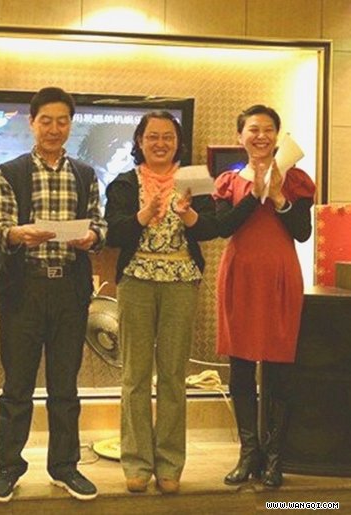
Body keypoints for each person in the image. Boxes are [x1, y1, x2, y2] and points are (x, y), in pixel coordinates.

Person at [0, 86, 107, 503]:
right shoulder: (10, 171)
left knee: (65, 386)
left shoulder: (86, 174)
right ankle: (8, 468)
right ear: (32, 123)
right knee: (17, 386)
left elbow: (99, 224)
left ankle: (65, 467)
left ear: (70, 125)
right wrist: (18, 234)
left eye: (62, 121)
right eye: (46, 121)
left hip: (69, 288)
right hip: (24, 288)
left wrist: (91, 238)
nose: (54, 129)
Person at [104, 111, 218, 495]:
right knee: (135, 376)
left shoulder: (195, 180)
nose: (160, 143)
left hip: (181, 282)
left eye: (168, 137)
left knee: (172, 376)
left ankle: (169, 464)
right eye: (152, 136)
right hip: (136, 280)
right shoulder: (124, 183)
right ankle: (137, 463)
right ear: (139, 141)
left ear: (178, 142)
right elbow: (112, 233)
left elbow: (211, 228)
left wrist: (189, 216)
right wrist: (142, 215)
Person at [214, 105, 315, 488]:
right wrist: (254, 195)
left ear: (277, 136)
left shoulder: (296, 180)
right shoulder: (228, 181)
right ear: (240, 136)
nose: (260, 136)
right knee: (240, 368)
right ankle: (248, 454)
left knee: (279, 367)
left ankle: (274, 458)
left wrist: (278, 198)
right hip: (239, 276)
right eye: (253, 129)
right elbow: (223, 228)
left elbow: (302, 232)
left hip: (280, 277)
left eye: (268, 129)